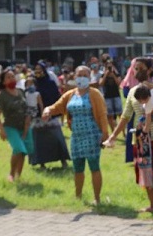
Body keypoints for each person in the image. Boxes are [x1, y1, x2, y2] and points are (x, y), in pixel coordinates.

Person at [105, 66, 153, 212]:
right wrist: (113, 136)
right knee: (146, 171)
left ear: (148, 69)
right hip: (140, 139)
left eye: (140, 67)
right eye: (135, 68)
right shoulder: (133, 92)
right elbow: (126, 116)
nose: (137, 70)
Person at [43, 65, 108, 204]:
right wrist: (48, 110)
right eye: (79, 75)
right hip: (76, 137)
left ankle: (97, 198)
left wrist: (105, 134)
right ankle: (78, 196)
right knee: (78, 168)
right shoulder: (70, 94)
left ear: (89, 77)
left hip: (91, 136)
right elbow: (57, 107)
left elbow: (102, 114)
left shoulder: (94, 93)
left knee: (94, 166)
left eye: (85, 75)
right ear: (74, 77)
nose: (82, 77)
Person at [30, 61, 70, 169]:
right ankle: (41, 163)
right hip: (37, 116)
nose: (38, 71)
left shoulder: (51, 83)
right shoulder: (33, 84)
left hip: (50, 113)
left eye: (40, 69)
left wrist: (53, 111)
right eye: (36, 69)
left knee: (57, 138)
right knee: (40, 140)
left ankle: (63, 161)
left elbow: (57, 98)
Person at [0, 68, 34, 182]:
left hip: (24, 126)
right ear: (3, 82)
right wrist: (1, 129)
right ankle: (11, 175)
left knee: (24, 151)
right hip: (10, 126)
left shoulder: (20, 91)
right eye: (8, 77)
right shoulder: (1, 95)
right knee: (18, 149)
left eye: (13, 76)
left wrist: (27, 122)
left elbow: (26, 108)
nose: (11, 78)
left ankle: (18, 176)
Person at [99, 59, 122, 134]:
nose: (109, 68)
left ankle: (123, 132)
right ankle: (113, 131)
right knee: (110, 115)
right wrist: (106, 75)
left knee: (120, 114)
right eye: (107, 66)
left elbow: (119, 84)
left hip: (116, 96)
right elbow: (101, 84)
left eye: (110, 66)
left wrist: (113, 76)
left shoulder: (116, 74)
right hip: (107, 97)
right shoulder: (103, 75)